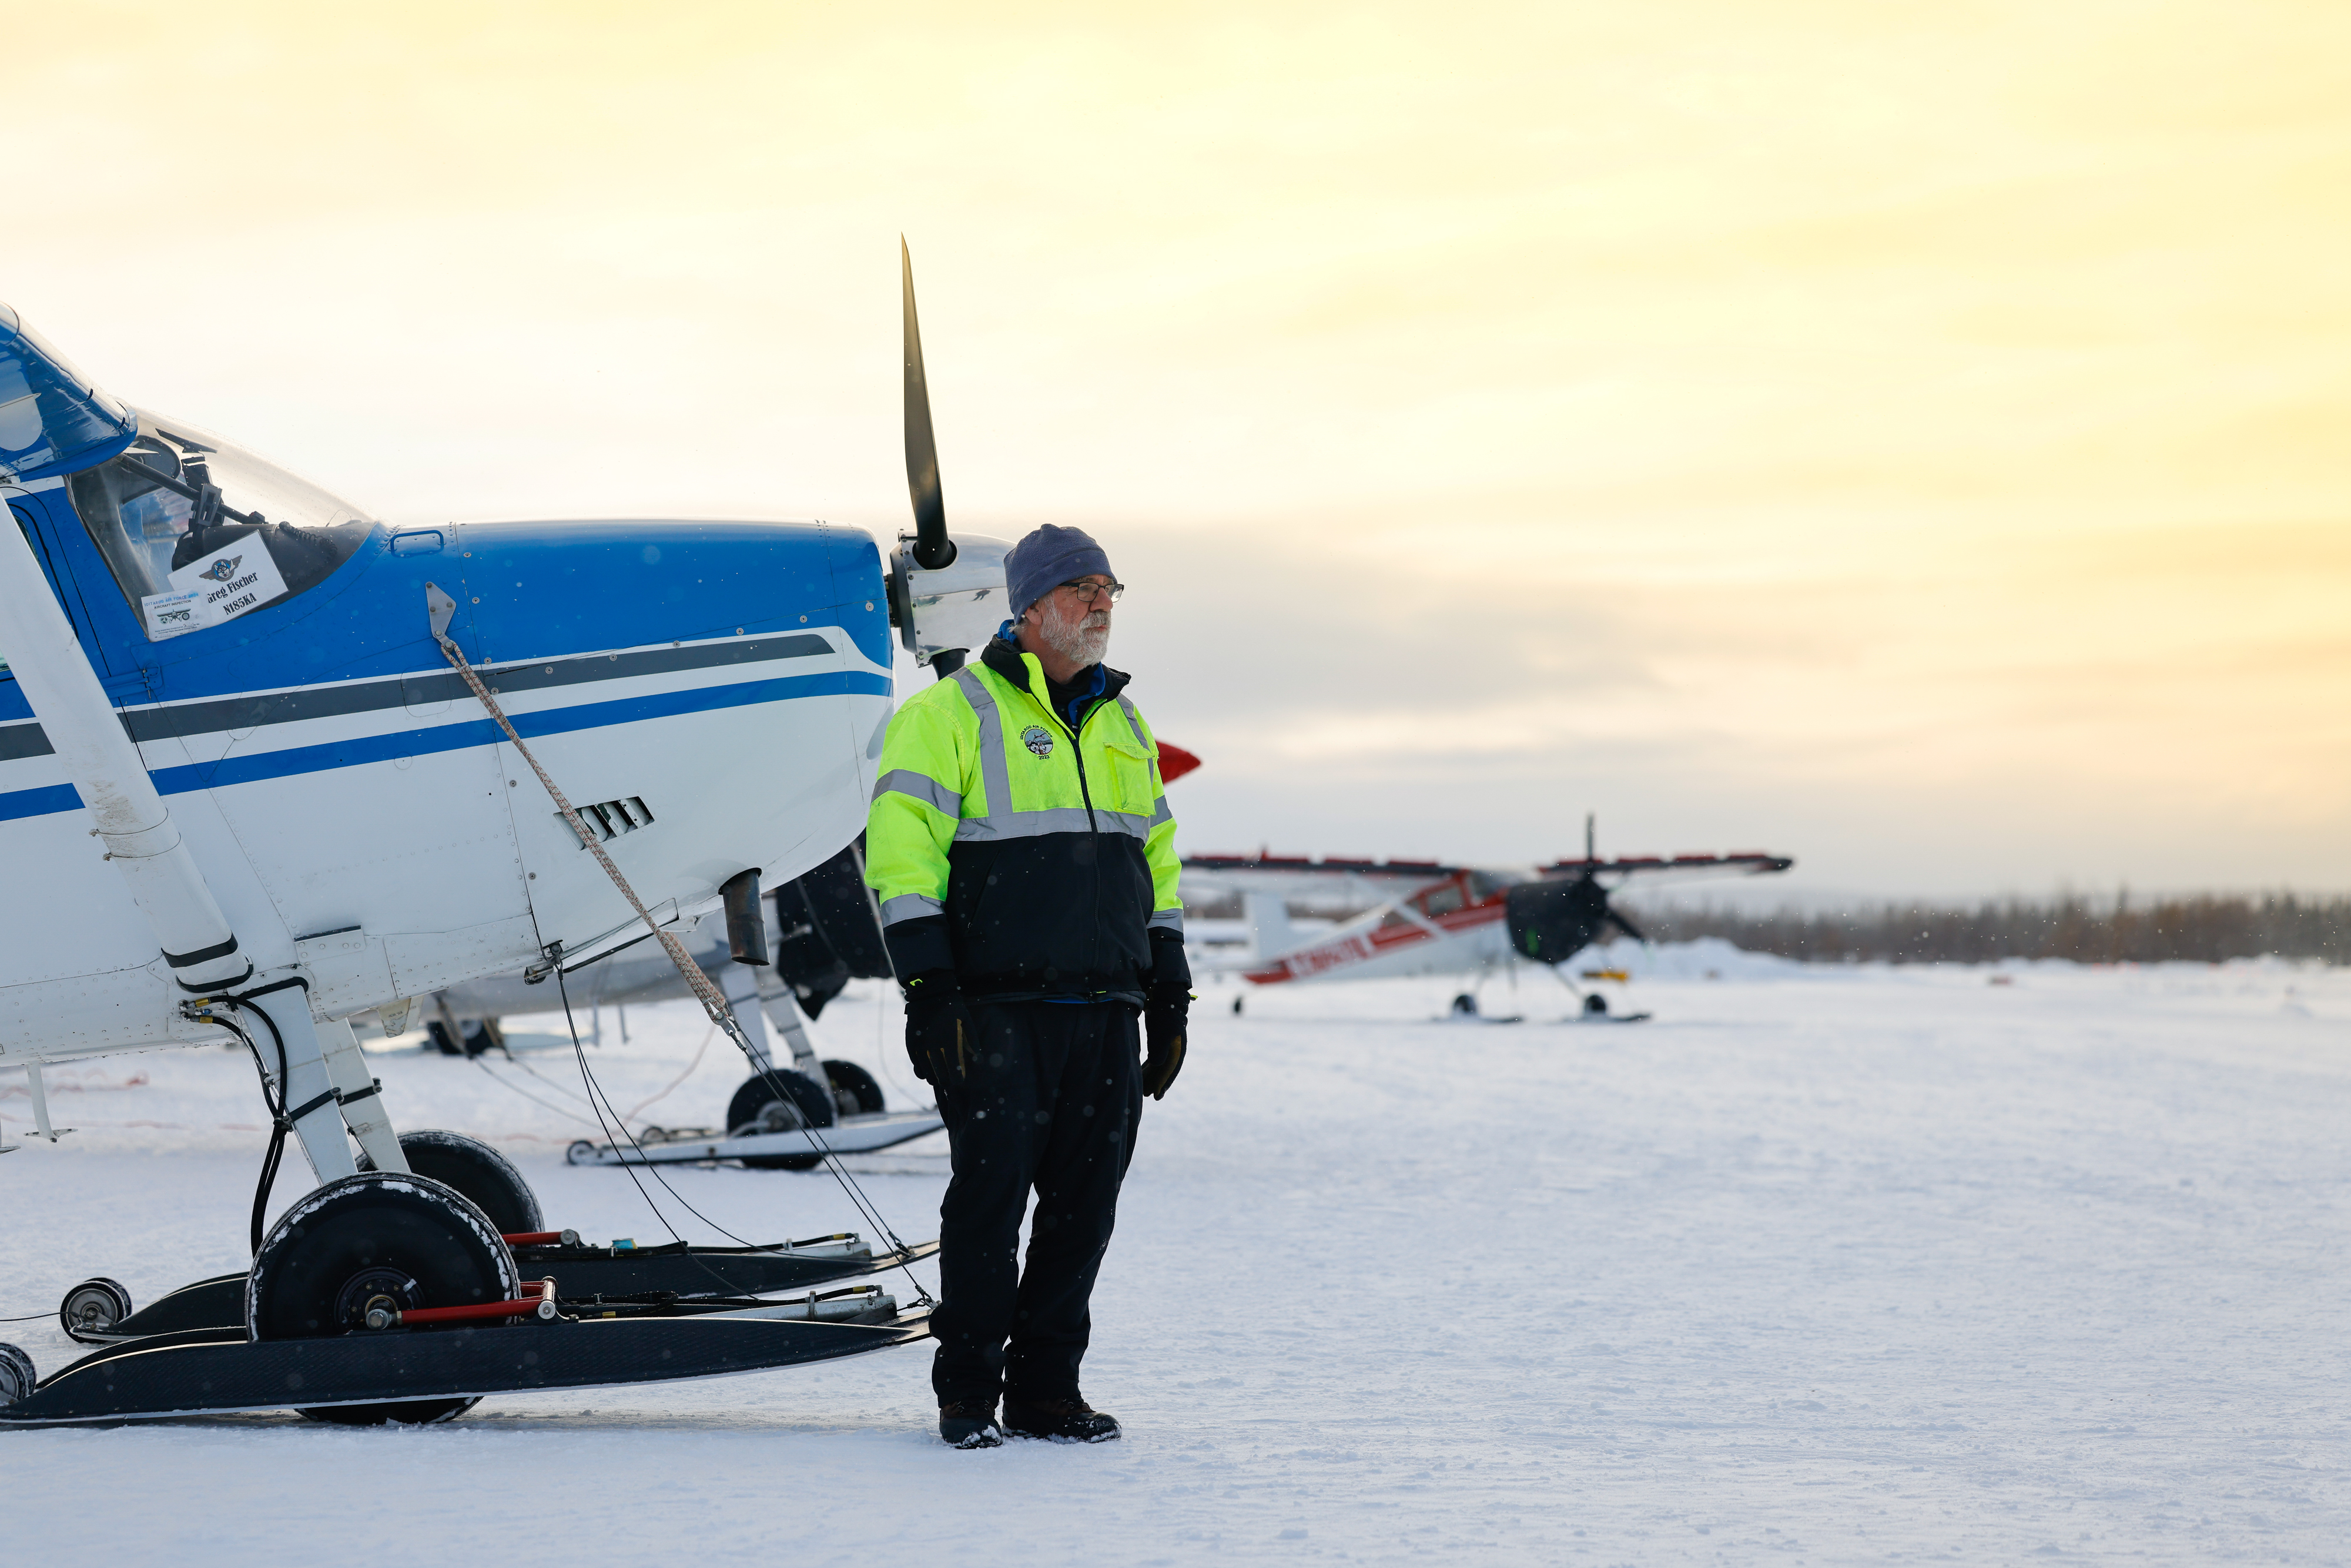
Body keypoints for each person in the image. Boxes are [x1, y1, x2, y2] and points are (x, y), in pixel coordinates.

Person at [865, 523, 1190, 1448]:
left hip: (1106, 1014)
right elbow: (900, 864)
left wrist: (1170, 994)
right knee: (988, 1210)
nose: (1102, 605)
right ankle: (968, 1394)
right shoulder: (946, 715)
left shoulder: (1126, 723)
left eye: (1110, 590)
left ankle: (1047, 1393)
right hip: (996, 1012)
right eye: (1084, 589)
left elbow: (1155, 868)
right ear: (1032, 608)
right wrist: (930, 992)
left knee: (1083, 1218)